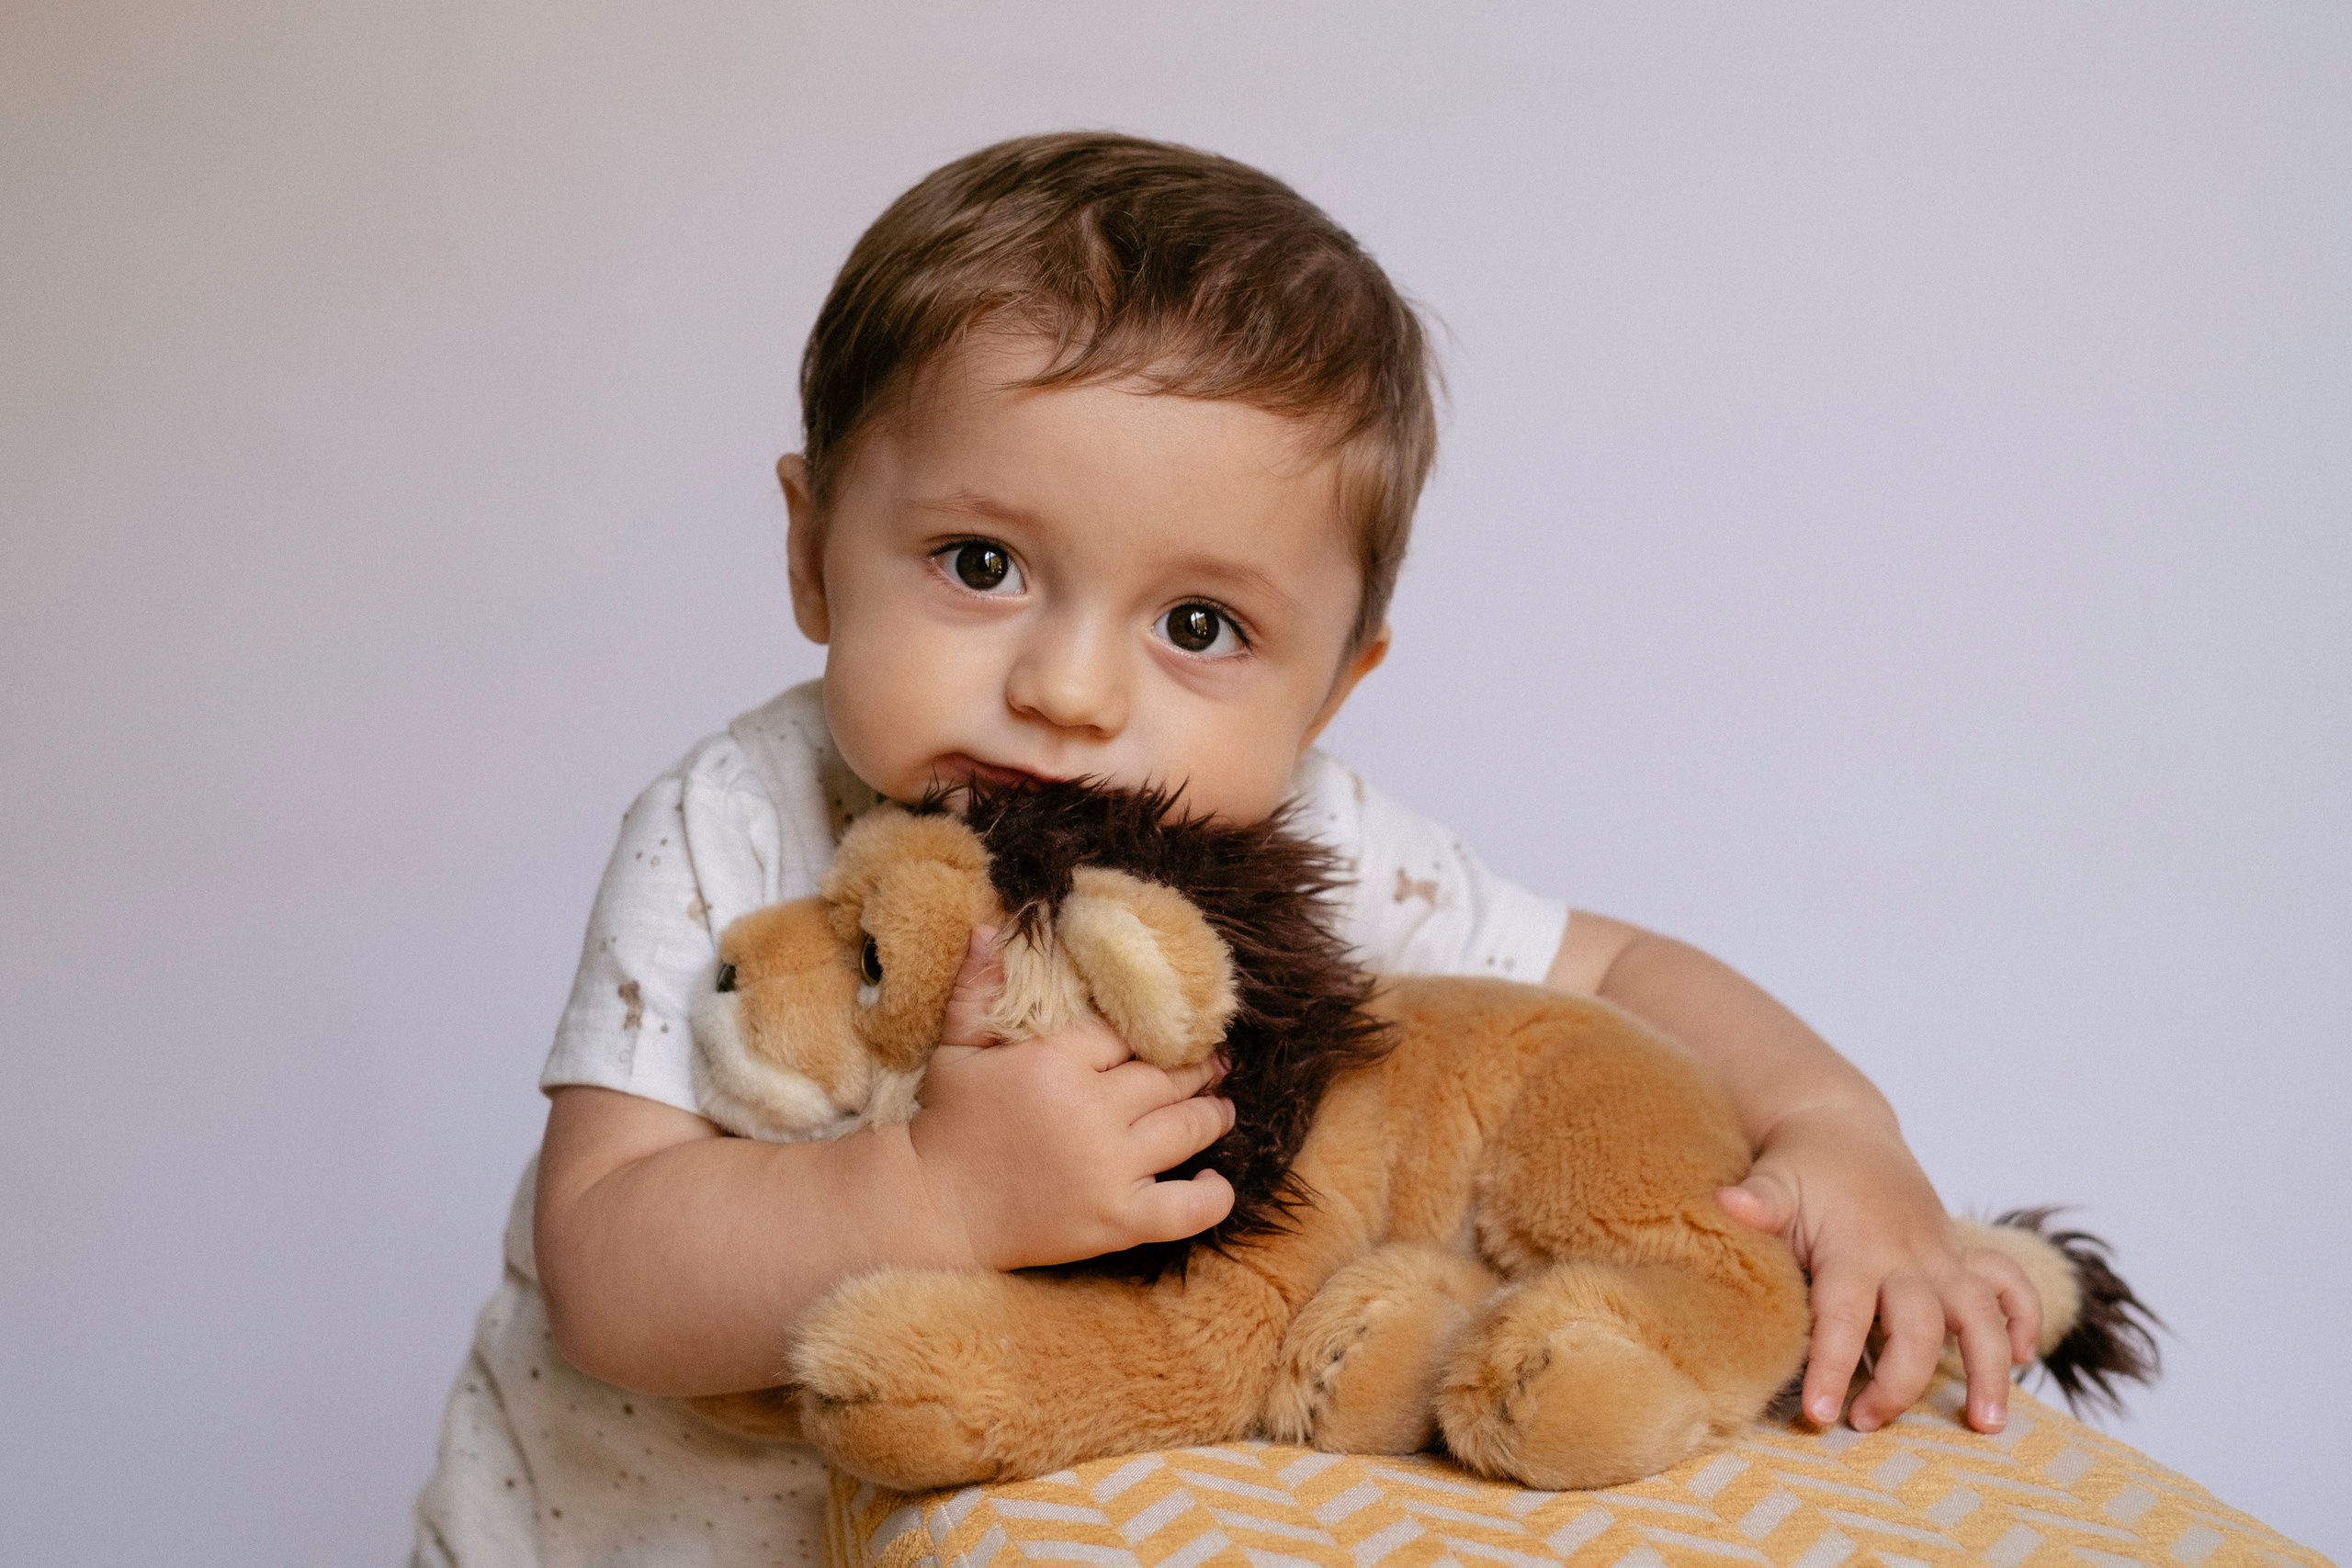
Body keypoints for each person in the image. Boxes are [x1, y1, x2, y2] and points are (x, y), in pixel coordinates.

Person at [413, 131, 2045, 1568]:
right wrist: (930, 1189)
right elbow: (610, 1280)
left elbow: (1615, 971)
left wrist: (1838, 1127)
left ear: (1338, 684)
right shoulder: (738, 816)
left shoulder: (1308, 838)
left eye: (1199, 624)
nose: (1065, 690)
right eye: (978, 561)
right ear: (812, 550)